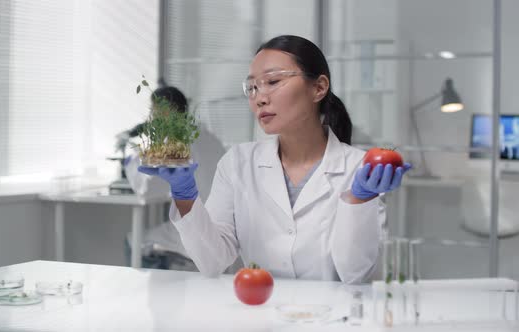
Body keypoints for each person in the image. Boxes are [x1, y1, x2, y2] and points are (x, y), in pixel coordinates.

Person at [139, 35, 411, 283]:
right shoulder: (237, 163)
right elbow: (213, 262)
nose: (259, 98)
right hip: (260, 315)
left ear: (319, 87)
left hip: (331, 319)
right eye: (252, 87)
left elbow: (356, 274)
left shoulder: (358, 169)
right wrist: (184, 196)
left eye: (273, 82)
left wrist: (359, 199)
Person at [123, 85, 226, 268]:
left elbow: (146, 189)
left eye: (154, 113)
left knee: (134, 240)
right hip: (222, 227)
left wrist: (129, 159)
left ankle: (160, 287)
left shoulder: (175, 139)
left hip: (198, 228)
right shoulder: (209, 137)